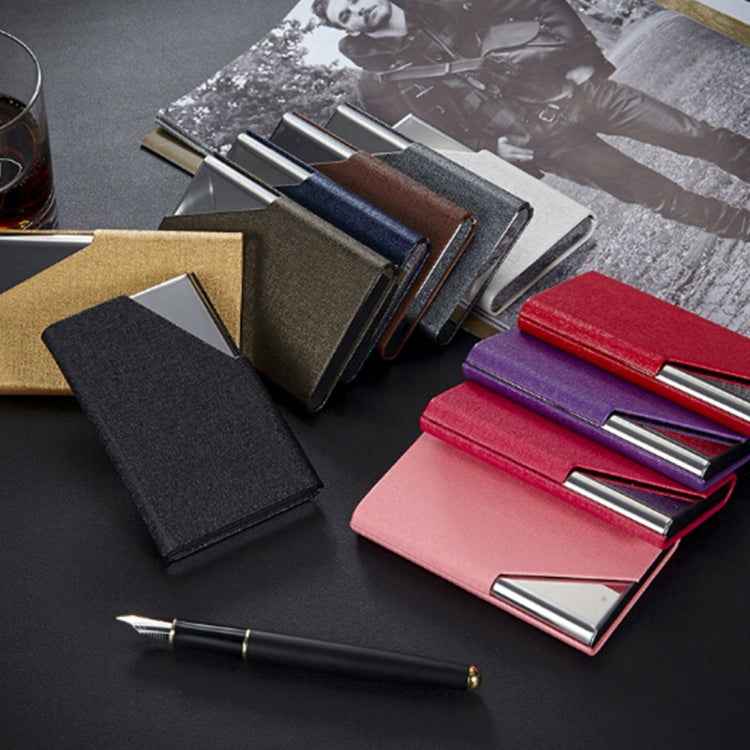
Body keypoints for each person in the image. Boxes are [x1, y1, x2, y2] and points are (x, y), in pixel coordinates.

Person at [311, 0, 750, 240]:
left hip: (579, 91)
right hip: (544, 143)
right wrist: (497, 154)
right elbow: (435, 145)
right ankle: (740, 226)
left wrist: (584, 58)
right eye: (345, 15)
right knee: (657, 195)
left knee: (700, 137)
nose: (358, 9)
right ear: (348, 30)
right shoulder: (379, 85)